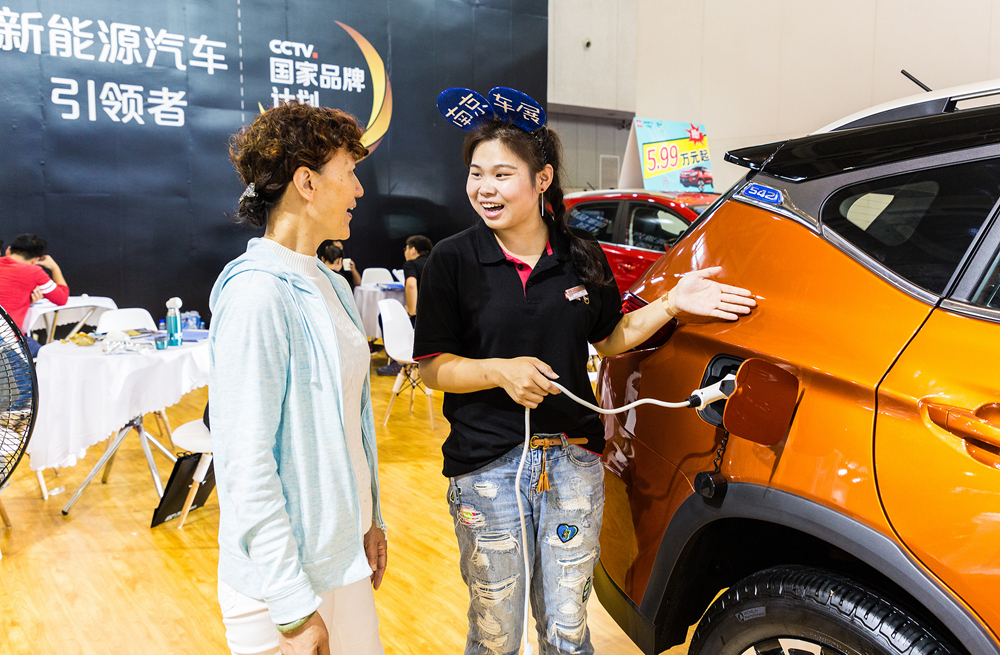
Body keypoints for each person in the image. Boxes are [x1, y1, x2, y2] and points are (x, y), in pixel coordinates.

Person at [414, 98, 756, 655]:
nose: (485, 189)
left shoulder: (581, 255)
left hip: (573, 463)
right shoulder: (451, 260)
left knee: (568, 627)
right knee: (495, 629)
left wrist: (672, 303)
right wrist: (499, 371)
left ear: (542, 179)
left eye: (502, 174)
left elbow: (610, 336)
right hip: (487, 468)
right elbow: (433, 369)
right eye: (476, 174)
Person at [209, 101, 387, 655]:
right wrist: (291, 604)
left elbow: (352, 419)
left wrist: (370, 517)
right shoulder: (256, 293)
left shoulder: (328, 282)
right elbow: (245, 462)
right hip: (280, 586)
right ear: (307, 182)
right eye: (349, 173)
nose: (358, 190)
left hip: (341, 557)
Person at [0, 234, 70, 356]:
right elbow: (62, 298)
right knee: (49, 355)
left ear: (8, 250)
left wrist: (27, 301)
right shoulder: (34, 272)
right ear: (35, 260)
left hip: (6, 341)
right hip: (9, 342)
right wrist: (54, 267)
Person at [375, 235, 433, 377]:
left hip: (422, 319)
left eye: (406, 248)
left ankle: (398, 362)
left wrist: (412, 312)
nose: (405, 252)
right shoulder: (436, 261)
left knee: (384, 317)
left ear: (413, 250)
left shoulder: (411, 264)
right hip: (440, 318)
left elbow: (411, 284)